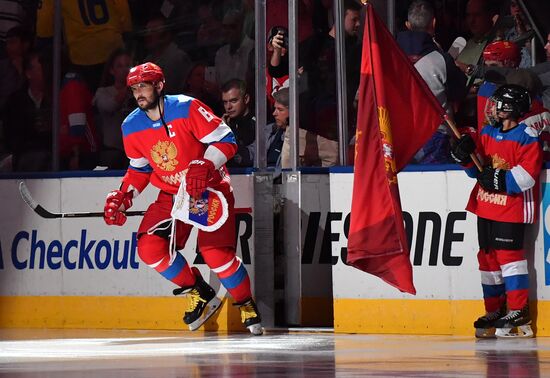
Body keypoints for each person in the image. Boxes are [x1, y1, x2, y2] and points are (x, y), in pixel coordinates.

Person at [102, 62, 263, 335]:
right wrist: (123, 195)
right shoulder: (131, 125)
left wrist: (205, 164)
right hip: (171, 195)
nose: (139, 93)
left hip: (206, 190)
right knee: (149, 248)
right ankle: (197, 289)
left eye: (144, 86)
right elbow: (139, 169)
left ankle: (246, 303)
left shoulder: (187, 107)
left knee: (216, 255)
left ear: (160, 86)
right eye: (134, 88)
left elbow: (227, 140)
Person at [450, 84, 542, 338]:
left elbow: (526, 177)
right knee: (487, 260)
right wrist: (463, 155)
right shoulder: (488, 132)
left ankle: (518, 311)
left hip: (511, 209)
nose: (493, 107)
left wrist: (498, 179)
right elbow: (476, 171)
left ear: (511, 108)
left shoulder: (527, 136)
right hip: (485, 206)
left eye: (499, 103)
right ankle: (494, 309)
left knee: (510, 261)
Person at [396, 0, 467, 164]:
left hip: (397, 136)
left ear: (407, 24)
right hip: (434, 138)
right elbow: (459, 92)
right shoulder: (441, 59)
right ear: (433, 23)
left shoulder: (389, 57)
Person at [93, 48, 134, 169]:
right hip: (112, 152)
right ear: (112, 70)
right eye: (120, 66)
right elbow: (109, 106)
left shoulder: (141, 93)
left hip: (136, 152)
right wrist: (128, 88)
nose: (125, 70)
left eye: (128, 65)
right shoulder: (103, 92)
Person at [143, 15, 193, 95]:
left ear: (166, 35)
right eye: (147, 31)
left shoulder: (177, 58)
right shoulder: (147, 61)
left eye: (153, 31)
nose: (148, 35)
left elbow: (168, 91)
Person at [221, 79, 255, 167]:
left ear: (246, 99)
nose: (228, 107)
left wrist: (226, 132)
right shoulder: (222, 124)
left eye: (233, 101)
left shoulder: (257, 125)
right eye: (225, 102)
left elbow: (248, 157)